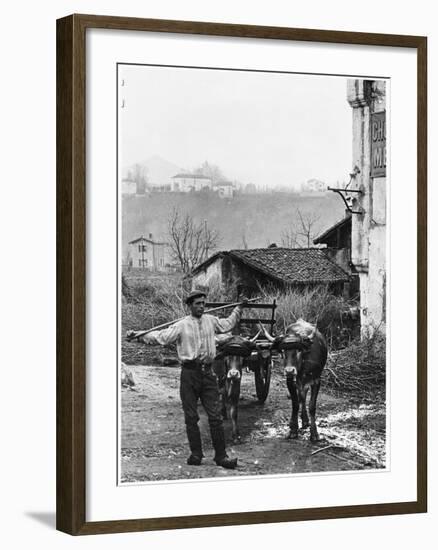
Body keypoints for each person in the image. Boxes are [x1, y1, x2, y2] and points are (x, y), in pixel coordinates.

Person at [128, 290, 244, 469]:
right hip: (189, 375)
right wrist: (140, 334)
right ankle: (196, 454)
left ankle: (221, 456)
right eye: (197, 304)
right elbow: (161, 337)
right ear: (190, 306)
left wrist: (239, 308)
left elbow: (227, 324)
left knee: (215, 417)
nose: (201, 306)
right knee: (191, 417)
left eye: (203, 303)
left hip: (208, 374)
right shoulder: (181, 325)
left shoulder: (211, 321)